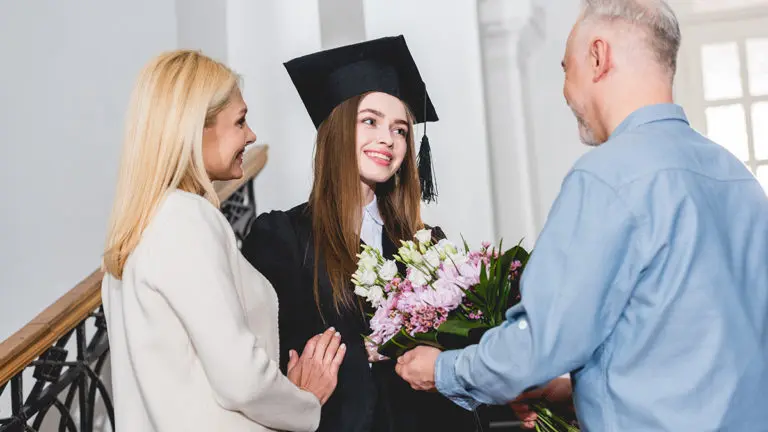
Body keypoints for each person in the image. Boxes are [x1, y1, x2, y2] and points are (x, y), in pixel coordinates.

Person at [394, 0, 768, 430]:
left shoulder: (607, 176)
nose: (566, 92)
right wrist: (581, 389)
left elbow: (542, 340)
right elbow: (702, 342)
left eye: (564, 67)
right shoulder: (737, 178)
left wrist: (444, 370)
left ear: (597, 56)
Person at [241, 36, 478, 432]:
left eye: (400, 129)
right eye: (370, 121)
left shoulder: (427, 246)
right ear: (336, 129)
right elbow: (267, 362)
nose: (388, 138)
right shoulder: (281, 240)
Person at [101, 50, 346, 432]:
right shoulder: (186, 219)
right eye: (240, 121)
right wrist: (304, 401)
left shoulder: (137, 228)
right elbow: (242, 380)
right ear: (194, 127)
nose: (251, 135)